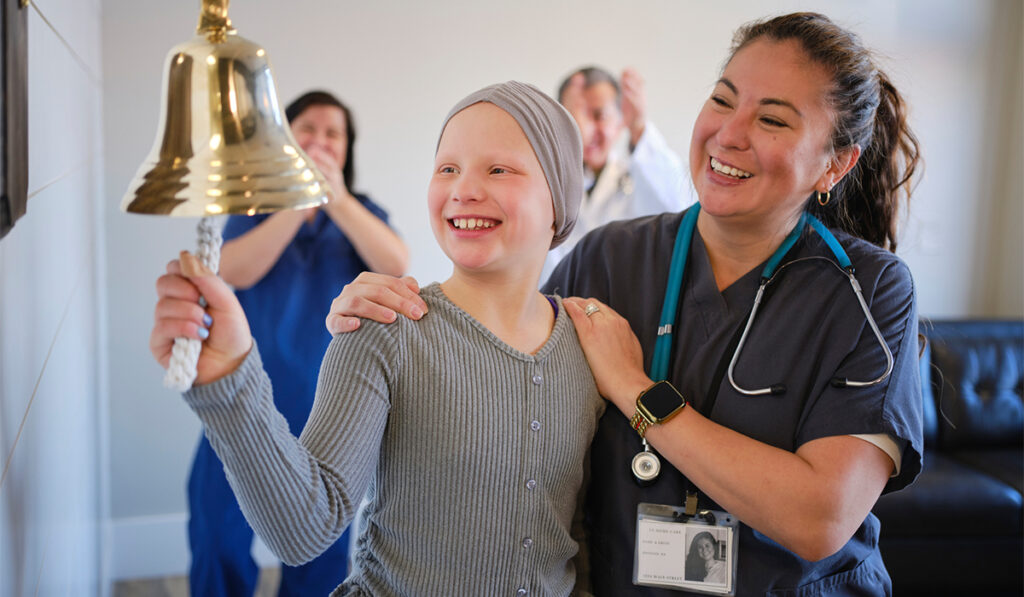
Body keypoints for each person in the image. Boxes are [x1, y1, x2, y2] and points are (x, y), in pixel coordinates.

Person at [323, 12, 924, 596]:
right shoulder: (609, 258)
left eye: (772, 120)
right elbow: (499, 357)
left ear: (835, 164)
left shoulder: (870, 293)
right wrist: (389, 308)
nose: (729, 133)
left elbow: (820, 518)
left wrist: (640, 395)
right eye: (721, 100)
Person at [151, 81, 605, 596]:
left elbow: (579, 533)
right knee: (218, 542)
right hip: (271, 395)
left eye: (498, 168)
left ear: (560, 196)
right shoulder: (385, 327)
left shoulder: (590, 347)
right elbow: (303, 529)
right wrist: (229, 376)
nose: (463, 190)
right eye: (447, 168)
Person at [186, 90, 409, 596]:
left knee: (320, 550)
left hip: (326, 411)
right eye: (308, 129)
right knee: (216, 536)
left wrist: (336, 199)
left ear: (349, 149)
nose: (321, 142)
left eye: (335, 134)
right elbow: (233, 268)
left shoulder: (360, 211)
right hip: (242, 402)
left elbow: (396, 263)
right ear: (284, 138)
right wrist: (296, 200)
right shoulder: (256, 204)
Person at [542, 66, 689, 281]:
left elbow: (679, 210)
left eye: (599, 116)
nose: (587, 130)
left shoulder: (644, 173)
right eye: (574, 118)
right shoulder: (544, 181)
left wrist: (638, 126)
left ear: (621, 120)